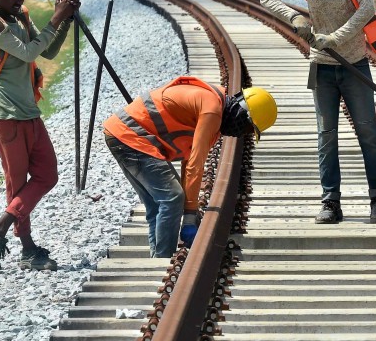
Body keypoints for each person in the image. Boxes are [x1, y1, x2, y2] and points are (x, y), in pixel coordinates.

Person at [260, 0, 376, 225]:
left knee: (368, 132)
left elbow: (367, 8)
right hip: (322, 68)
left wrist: (335, 37)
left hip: (355, 63)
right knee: (326, 135)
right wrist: (294, 18)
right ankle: (331, 202)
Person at [0, 0, 80, 273]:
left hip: (29, 113)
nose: (19, 2)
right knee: (17, 184)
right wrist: (56, 17)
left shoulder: (20, 17)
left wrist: (65, 20)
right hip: (5, 115)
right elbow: (26, 52)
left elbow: (46, 51)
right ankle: (28, 250)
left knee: (48, 175)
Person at [103, 78, 276, 258]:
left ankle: (157, 260)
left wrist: (190, 212)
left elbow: (189, 160)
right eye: (248, 129)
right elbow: (195, 163)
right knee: (172, 198)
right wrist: (190, 216)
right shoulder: (212, 111)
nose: (241, 134)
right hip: (131, 137)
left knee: (158, 204)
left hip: (122, 134)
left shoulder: (213, 105)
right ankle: (163, 261)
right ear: (243, 115)